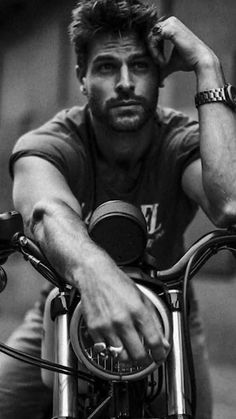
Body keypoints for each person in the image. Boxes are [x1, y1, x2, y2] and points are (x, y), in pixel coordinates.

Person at [0, 0, 236, 418]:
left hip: (170, 302)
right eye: (107, 67)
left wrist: (207, 65)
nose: (126, 82)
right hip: (66, 299)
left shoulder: (179, 139)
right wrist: (97, 275)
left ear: (160, 75)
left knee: (195, 410)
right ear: (82, 78)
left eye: (141, 66)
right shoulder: (52, 143)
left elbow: (229, 202)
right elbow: (45, 211)